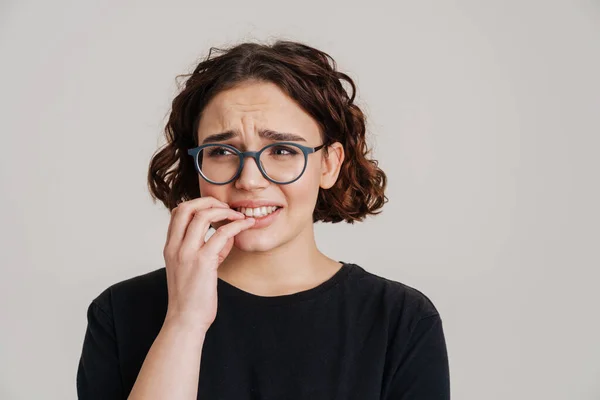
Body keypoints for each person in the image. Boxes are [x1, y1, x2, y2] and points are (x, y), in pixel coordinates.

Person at [76, 39, 450, 399]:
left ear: (329, 164)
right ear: (197, 165)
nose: (249, 180)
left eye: (283, 150)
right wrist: (184, 322)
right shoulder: (120, 314)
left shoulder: (402, 320)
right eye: (222, 151)